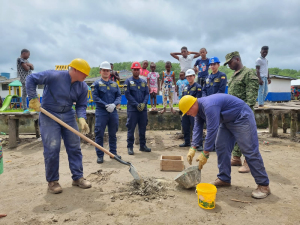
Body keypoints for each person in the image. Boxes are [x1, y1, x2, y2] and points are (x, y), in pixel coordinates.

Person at [180, 94, 271, 199]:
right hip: (227, 121)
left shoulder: (209, 106)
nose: (188, 114)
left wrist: (205, 153)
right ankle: (224, 178)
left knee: (249, 150)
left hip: (241, 117)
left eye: (188, 111)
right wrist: (193, 148)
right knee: (221, 146)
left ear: (193, 105)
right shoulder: (198, 110)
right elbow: (197, 127)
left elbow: (212, 129)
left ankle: (264, 185)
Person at [26, 58, 92, 194]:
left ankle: (78, 177)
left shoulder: (82, 86)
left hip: (68, 114)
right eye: (83, 73)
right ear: (74, 70)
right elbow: (31, 79)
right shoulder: (54, 75)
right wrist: (33, 98)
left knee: (74, 146)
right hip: (48, 114)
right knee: (52, 147)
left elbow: (81, 105)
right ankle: (53, 181)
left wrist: (81, 118)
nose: (85, 77)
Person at [224, 51, 259, 173]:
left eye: (230, 62)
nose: (229, 65)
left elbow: (251, 97)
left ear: (237, 59)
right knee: (235, 136)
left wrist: (245, 112)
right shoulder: (234, 75)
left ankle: (248, 162)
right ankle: (236, 158)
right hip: (233, 112)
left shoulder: (248, 73)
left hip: (244, 112)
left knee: (246, 138)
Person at [92, 61, 122, 164]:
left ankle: (113, 153)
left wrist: (114, 104)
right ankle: (100, 155)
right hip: (101, 112)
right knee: (99, 133)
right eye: (104, 70)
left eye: (107, 70)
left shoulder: (114, 84)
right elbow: (95, 97)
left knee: (113, 133)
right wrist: (105, 105)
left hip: (113, 112)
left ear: (110, 72)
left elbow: (118, 96)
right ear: (100, 71)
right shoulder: (96, 84)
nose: (106, 72)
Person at [124, 61, 151, 155]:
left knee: (142, 128)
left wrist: (143, 103)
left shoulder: (143, 82)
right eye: (134, 70)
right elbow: (127, 95)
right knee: (131, 128)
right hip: (132, 109)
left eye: (137, 70)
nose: (136, 71)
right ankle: (130, 147)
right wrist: (136, 104)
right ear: (132, 70)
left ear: (140, 70)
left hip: (143, 110)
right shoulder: (128, 81)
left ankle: (142, 146)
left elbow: (147, 94)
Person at [179, 69, 202, 149]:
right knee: (185, 126)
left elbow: (198, 99)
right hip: (186, 111)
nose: (189, 78)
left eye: (190, 76)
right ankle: (187, 141)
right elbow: (183, 98)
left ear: (194, 77)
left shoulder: (198, 87)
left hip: (193, 111)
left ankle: (199, 144)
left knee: (196, 127)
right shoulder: (185, 87)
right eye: (187, 76)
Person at [17, 49, 34, 114]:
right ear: (24, 53)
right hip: (24, 79)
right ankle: (25, 108)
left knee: (31, 92)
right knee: (25, 93)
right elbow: (26, 69)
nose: (29, 56)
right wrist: (29, 65)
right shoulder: (19, 59)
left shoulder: (26, 61)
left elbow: (33, 68)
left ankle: (34, 107)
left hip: (29, 79)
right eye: (28, 54)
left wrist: (28, 65)